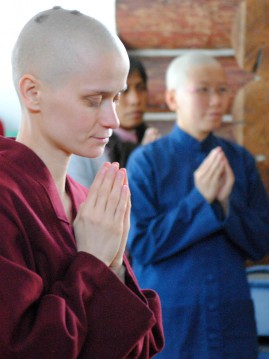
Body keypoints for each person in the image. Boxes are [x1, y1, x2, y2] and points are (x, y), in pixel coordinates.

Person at [0, 7, 164, 358]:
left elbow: (141, 345)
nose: (113, 119)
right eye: (93, 100)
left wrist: (115, 264)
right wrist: (92, 261)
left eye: (115, 97)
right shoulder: (4, 194)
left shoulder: (86, 199)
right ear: (32, 93)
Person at [126, 52, 269, 359]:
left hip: (232, 315)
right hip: (173, 321)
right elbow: (141, 245)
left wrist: (229, 203)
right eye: (203, 89)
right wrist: (199, 199)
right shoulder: (146, 161)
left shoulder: (240, 160)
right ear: (172, 98)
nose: (217, 100)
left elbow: (260, 243)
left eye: (222, 90)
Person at [68, 56, 159, 187]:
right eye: (124, 91)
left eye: (140, 88)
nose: (135, 100)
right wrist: (141, 162)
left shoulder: (154, 143)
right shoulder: (84, 151)